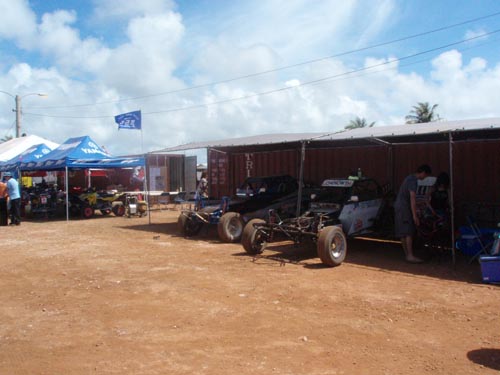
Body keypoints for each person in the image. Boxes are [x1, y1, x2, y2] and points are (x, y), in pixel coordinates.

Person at [394, 164, 432, 263]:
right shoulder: (413, 180)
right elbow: (412, 198)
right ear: (423, 172)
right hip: (404, 208)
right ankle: (410, 255)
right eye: (426, 175)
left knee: (402, 232)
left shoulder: (409, 178)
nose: (425, 178)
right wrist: (415, 215)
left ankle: (407, 254)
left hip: (399, 206)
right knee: (408, 231)